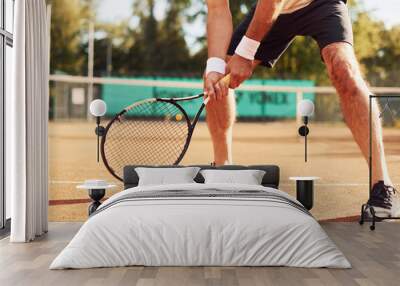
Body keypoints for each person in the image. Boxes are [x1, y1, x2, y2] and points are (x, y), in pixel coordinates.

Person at [203, 0, 399, 217]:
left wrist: (246, 52)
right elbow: (217, 8)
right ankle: (223, 170)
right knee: (219, 76)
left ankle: (382, 185)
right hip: (271, 11)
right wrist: (214, 66)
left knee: (344, 69)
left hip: (320, 3)